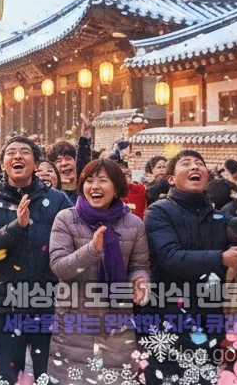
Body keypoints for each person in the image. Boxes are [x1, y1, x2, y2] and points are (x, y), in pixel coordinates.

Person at [141, 150, 237, 385]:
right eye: (186, 164)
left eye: (200, 164)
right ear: (171, 179)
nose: (195, 167)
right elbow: (169, 257)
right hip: (167, 318)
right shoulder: (159, 211)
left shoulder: (217, 217)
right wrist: (221, 258)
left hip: (207, 319)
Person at [0, 136, 71, 383]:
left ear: (36, 164)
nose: (17, 156)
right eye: (11, 153)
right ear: (3, 163)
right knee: (9, 377)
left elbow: (73, 240)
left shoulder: (57, 200)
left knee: (51, 376)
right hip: (6, 306)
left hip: (47, 303)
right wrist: (17, 226)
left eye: (25, 152)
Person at [47, 158, 150, 381]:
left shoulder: (134, 224)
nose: (95, 187)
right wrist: (92, 249)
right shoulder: (66, 219)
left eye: (103, 180)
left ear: (116, 188)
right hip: (75, 321)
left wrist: (140, 281)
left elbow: (139, 266)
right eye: (89, 180)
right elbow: (60, 267)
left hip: (117, 322)